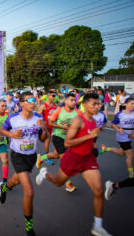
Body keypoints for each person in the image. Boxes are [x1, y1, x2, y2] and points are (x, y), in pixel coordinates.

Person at [35, 93, 112, 236]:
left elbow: (89, 138)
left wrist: (92, 145)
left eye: (99, 104)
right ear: (86, 105)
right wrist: (90, 136)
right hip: (73, 158)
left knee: (99, 191)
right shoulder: (78, 120)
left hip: (88, 159)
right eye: (94, 104)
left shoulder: (94, 120)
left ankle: (98, 226)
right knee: (58, 182)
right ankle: (45, 173)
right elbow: (67, 143)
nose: (98, 106)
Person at [0, 91, 48, 236]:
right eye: (30, 100)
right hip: (17, 155)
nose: (33, 103)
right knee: (29, 191)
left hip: (31, 156)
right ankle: (29, 227)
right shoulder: (13, 118)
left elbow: (43, 139)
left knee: (16, 180)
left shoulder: (38, 117)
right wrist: (12, 134)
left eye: (34, 100)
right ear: (22, 103)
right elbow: (1, 130)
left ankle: (5, 188)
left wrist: (44, 128)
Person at [100, 97, 134, 178]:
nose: (133, 105)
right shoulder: (120, 114)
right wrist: (118, 129)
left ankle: (105, 148)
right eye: (132, 103)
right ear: (126, 104)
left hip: (130, 136)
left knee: (121, 153)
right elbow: (112, 124)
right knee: (130, 155)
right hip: (122, 136)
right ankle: (131, 174)